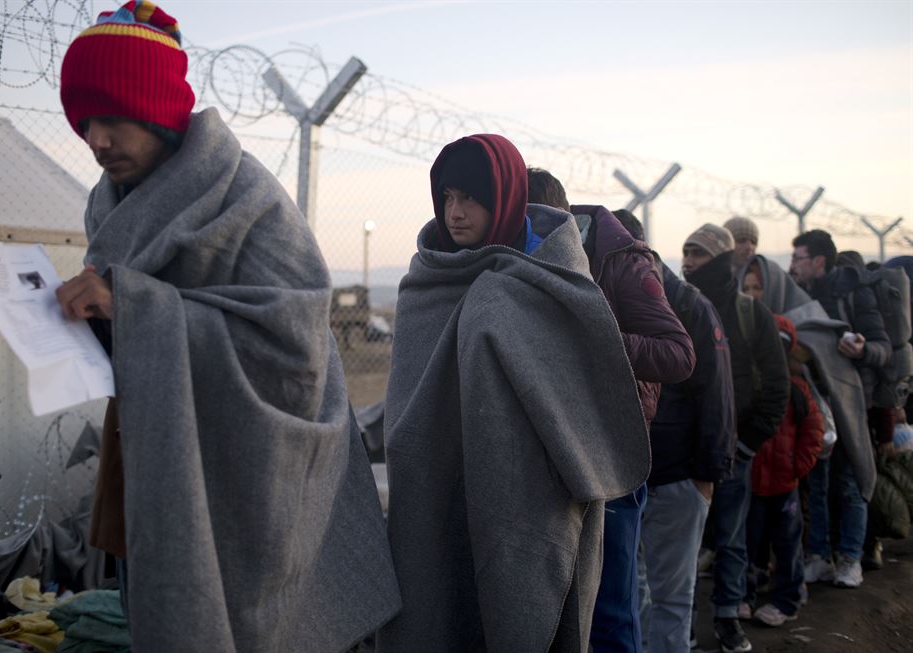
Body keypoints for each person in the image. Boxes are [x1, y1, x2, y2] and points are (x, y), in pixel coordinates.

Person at [54, 3, 399, 650]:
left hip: (256, 469)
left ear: (156, 108)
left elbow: (294, 345)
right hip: (154, 452)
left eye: (112, 117)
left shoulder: (248, 198)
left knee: (251, 627)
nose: (96, 139)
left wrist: (132, 307)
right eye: (84, 121)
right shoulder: (110, 202)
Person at [380, 135, 651, 652]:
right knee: (443, 610)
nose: (454, 214)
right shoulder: (427, 280)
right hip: (438, 488)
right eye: (446, 197)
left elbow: (579, 395)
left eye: (470, 199)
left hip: (534, 503)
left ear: (503, 196)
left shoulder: (554, 278)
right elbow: (407, 404)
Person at [528, 171, 695, 653]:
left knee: (609, 610)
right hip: (550, 454)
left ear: (557, 218)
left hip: (611, 456)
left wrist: (594, 338)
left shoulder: (621, 260)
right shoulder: (512, 260)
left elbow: (679, 355)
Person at [611, 210, 735, 653]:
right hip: (628, 476)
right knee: (632, 591)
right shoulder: (611, 296)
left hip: (678, 476)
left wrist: (707, 475)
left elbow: (716, 395)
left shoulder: (689, 304)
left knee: (672, 598)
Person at [682, 224, 790, 653]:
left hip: (733, 452)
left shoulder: (750, 313)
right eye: (685, 253)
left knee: (730, 540)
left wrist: (746, 445)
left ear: (721, 260)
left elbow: (777, 387)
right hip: (686, 454)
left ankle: (727, 618)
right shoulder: (675, 307)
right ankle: (682, 622)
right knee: (683, 546)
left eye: (699, 254)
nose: (688, 263)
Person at [790, 230, 890, 589]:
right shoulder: (797, 294)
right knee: (816, 485)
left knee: (848, 483)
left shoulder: (853, 292)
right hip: (812, 404)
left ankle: (850, 559)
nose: (792, 265)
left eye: (798, 258)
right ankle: (818, 557)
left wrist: (862, 349)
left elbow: (883, 348)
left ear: (818, 261)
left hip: (848, 404)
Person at [743, 315, 824, 627]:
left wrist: (795, 468)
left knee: (788, 546)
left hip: (783, 486)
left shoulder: (798, 391)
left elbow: (814, 433)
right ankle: (746, 595)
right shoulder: (750, 388)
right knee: (749, 544)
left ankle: (787, 600)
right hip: (754, 484)